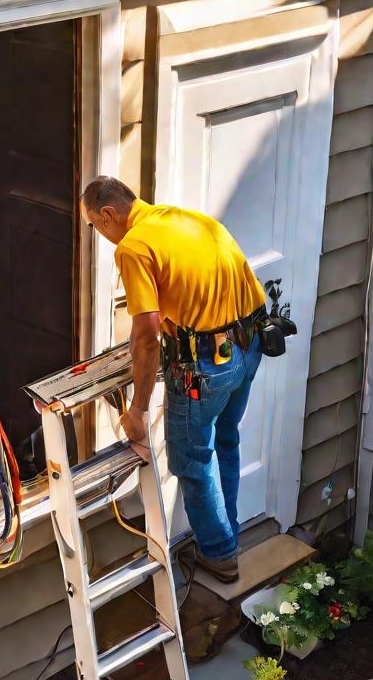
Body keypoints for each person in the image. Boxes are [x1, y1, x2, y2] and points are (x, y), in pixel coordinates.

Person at [80, 176, 267, 583]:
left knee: (192, 457)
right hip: (249, 345)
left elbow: (146, 336)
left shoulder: (134, 247)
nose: (99, 233)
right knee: (225, 438)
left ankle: (219, 554)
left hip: (206, 366)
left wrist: (138, 408)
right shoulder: (186, 219)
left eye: (95, 225)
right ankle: (227, 534)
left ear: (109, 214)